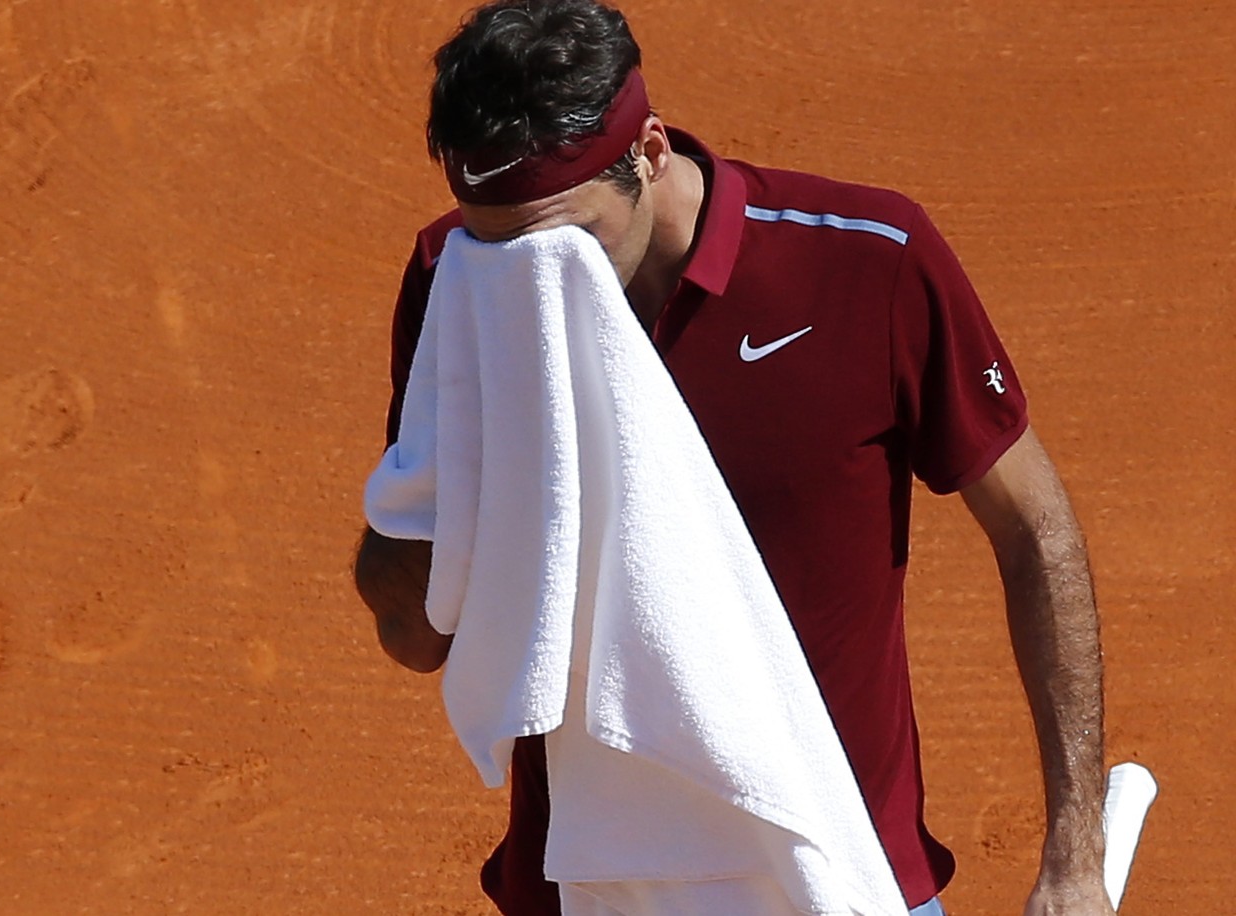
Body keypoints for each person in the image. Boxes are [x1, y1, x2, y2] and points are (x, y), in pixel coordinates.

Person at [352, 1, 1111, 913]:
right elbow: (418, 636)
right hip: (591, 889)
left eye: (568, 248)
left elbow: (1034, 529)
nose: (535, 288)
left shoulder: (870, 263)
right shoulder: (461, 285)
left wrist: (1076, 854)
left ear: (652, 152)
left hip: (838, 877)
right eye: (499, 253)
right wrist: (443, 468)